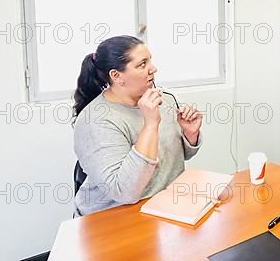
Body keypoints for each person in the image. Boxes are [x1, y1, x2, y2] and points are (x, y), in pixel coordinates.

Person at [72, 35, 203, 216]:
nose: (153, 69)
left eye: (150, 61)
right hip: (111, 218)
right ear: (117, 76)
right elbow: (125, 191)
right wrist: (150, 125)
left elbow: (177, 158)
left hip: (165, 208)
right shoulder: (96, 121)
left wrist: (190, 135)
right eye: (142, 64)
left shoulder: (165, 100)